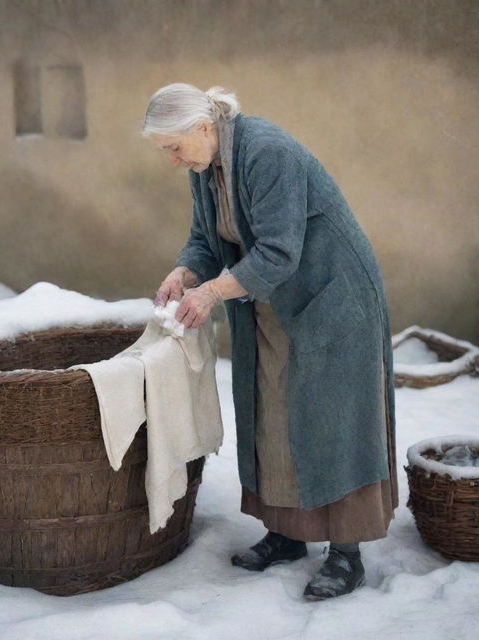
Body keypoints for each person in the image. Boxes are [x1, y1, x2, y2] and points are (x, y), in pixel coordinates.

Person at [141, 83, 399, 601]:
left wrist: (213, 293)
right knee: (271, 414)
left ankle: (346, 556)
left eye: (174, 146)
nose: (172, 160)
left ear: (204, 127)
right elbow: (206, 238)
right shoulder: (207, 167)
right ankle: (286, 534)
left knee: (332, 420)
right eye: (165, 151)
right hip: (271, 301)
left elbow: (280, 252)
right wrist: (186, 270)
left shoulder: (268, 152)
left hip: (332, 297)